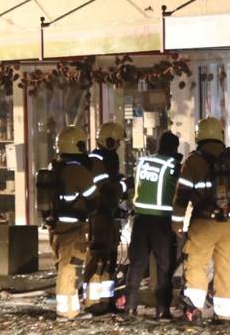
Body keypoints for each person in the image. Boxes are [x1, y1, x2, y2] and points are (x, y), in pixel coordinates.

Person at [172, 117, 230, 323]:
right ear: (221, 135)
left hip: (203, 223)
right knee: (227, 267)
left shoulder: (193, 161)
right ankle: (225, 314)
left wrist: (177, 223)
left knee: (196, 263)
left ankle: (193, 310)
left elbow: (181, 196)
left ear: (198, 136)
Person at [38, 126, 99, 319]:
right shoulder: (76, 171)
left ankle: (69, 308)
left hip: (56, 227)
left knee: (63, 265)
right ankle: (67, 312)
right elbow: (93, 199)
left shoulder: (55, 167)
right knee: (71, 267)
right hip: (73, 228)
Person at [124, 131, 181, 319]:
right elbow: (179, 189)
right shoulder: (172, 165)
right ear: (174, 147)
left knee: (137, 264)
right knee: (164, 265)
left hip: (140, 219)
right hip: (161, 221)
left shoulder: (143, 162)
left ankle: (130, 307)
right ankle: (162, 309)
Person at [85, 121, 126, 313]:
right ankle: (92, 301)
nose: (118, 145)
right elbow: (106, 190)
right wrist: (125, 186)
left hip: (108, 214)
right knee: (98, 255)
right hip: (99, 215)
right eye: (117, 142)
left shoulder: (108, 159)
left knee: (110, 258)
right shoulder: (96, 160)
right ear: (109, 140)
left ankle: (107, 299)